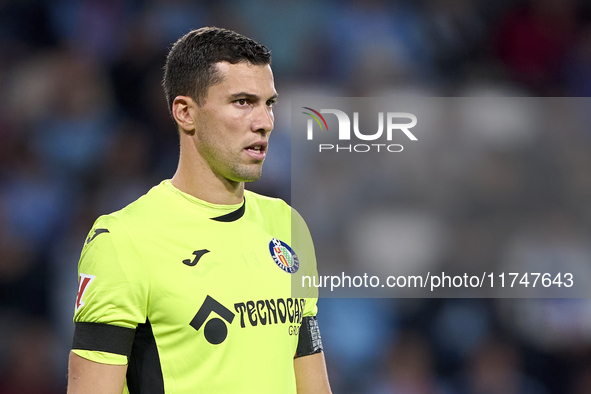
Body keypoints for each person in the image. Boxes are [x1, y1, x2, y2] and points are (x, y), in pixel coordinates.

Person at [67, 27, 331, 394]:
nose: (265, 122)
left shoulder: (287, 225)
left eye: (268, 103)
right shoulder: (125, 240)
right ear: (185, 112)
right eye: (242, 102)